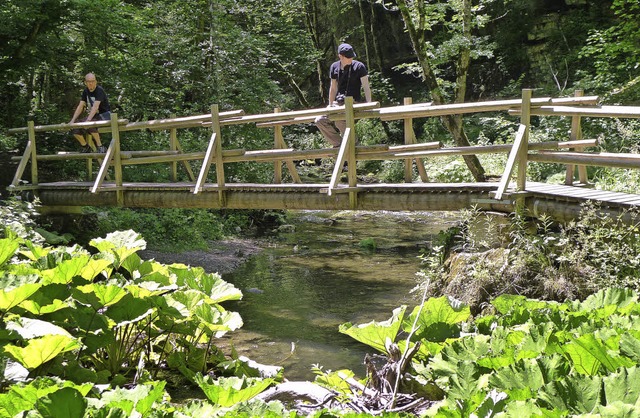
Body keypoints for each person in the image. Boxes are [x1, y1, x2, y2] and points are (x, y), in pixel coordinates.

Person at [315, 43, 372, 147]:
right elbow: (333, 87)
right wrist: (330, 104)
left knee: (340, 119)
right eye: (348, 57)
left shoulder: (359, 66)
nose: (350, 59)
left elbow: (366, 86)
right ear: (340, 56)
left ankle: (353, 144)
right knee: (320, 120)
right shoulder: (334, 67)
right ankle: (339, 145)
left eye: (352, 56)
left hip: (353, 102)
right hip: (338, 103)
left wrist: (369, 104)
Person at [69, 73, 110, 153]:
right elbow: (80, 106)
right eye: (88, 81)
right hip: (94, 116)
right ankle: (85, 146)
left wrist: (87, 121)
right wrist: (72, 121)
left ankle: (100, 146)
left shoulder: (99, 90)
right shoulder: (85, 91)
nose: (91, 83)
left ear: (96, 82)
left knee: (90, 124)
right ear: (85, 82)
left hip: (105, 115)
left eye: (93, 81)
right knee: (75, 126)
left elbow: (95, 107)